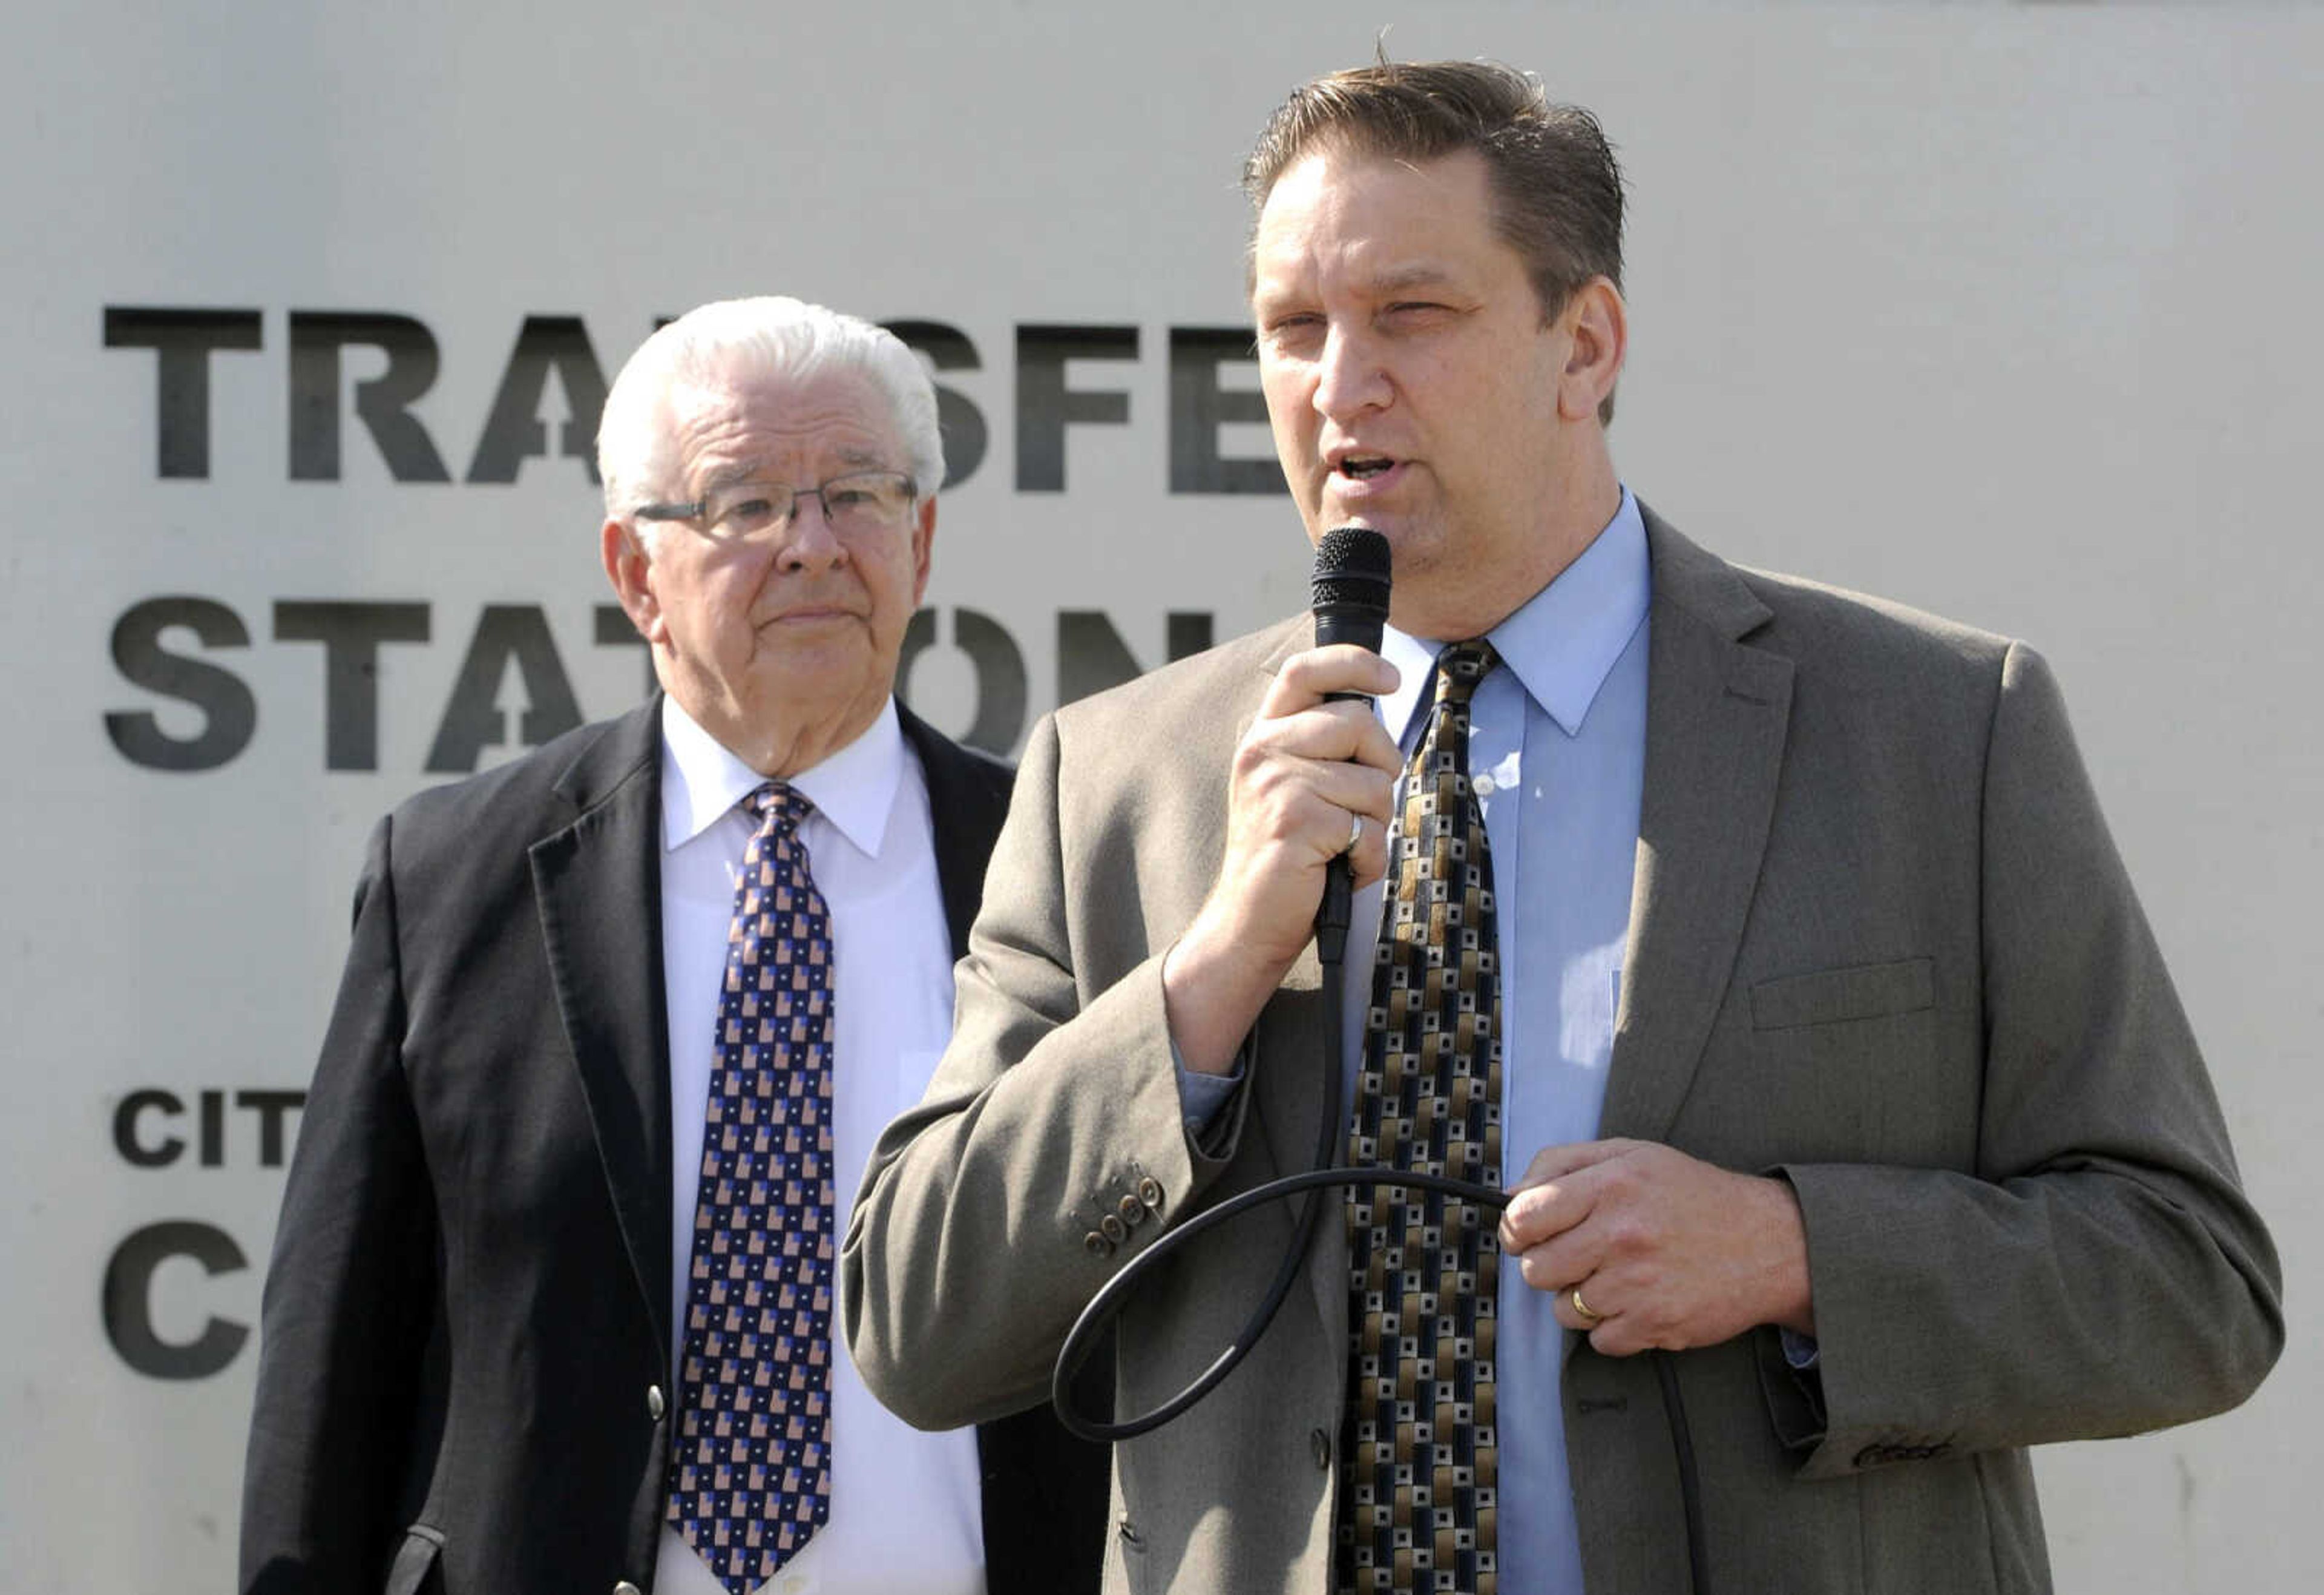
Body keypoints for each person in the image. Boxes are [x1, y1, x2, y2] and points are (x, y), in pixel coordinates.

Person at [841, 62, 2282, 1595]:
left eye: (1413, 313)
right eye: (1291, 328)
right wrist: (1206, 981)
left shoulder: (1936, 730)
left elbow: (2191, 1279)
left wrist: (1793, 1252)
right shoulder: (1119, 779)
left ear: (1582, 345)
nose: (1339, 383)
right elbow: (916, 1327)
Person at [241, 297, 1105, 1595]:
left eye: (859, 494)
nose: (813, 547)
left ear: (921, 542)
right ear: (636, 572)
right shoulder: (448, 879)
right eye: (745, 505)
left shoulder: (1067, 865)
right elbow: (334, 1357)